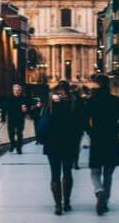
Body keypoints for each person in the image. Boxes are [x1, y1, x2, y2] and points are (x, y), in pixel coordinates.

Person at [84, 74, 119, 215]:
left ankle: (99, 191)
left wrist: (91, 132)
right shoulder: (115, 101)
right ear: (108, 85)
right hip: (111, 139)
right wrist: (116, 129)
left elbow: (84, 121)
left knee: (95, 170)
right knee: (108, 173)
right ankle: (105, 201)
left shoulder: (91, 101)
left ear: (97, 85)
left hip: (97, 138)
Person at [37, 81, 81, 215]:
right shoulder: (74, 103)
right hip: (69, 143)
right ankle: (66, 202)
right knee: (67, 172)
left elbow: (42, 124)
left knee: (55, 174)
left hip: (52, 143)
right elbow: (80, 122)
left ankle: (58, 206)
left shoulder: (50, 105)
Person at [1, 84, 29, 154]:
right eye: (15, 90)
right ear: (13, 91)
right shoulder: (8, 98)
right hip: (11, 119)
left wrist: (26, 110)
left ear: (20, 91)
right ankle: (13, 144)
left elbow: (28, 109)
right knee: (11, 134)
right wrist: (3, 119)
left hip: (20, 119)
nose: (17, 92)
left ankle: (19, 148)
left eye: (18, 90)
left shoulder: (24, 98)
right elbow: (4, 109)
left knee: (19, 134)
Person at [72, 85, 90, 169]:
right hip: (79, 126)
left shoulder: (70, 100)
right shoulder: (82, 101)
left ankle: (72, 162)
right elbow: (85, 114)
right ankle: (75, 162)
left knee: (71, 145)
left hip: (70, 126)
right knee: (76, 145)